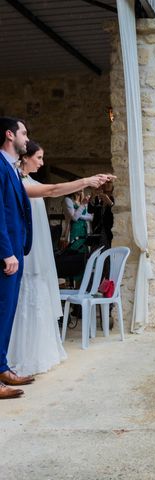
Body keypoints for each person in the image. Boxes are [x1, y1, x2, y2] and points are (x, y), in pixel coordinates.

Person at [7, 140, 113, 376]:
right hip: (27, 250)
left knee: (37, 292)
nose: (42, 162)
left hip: (38, 252)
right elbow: (53, 190)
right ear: (25, 158)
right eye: (39, 158)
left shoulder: (30, 181)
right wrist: (86, 180)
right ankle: (17, 355)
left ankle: (38, 351)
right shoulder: (15, 181)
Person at [0, 117, 33, 399]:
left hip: (15, 251)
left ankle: (2, 368)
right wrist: (7, 252)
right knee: (0, 313)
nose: (27, 138)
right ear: (9, 135)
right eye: (24, 133)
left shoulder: (10, 167)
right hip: (6, 254)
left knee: (7, 313)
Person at [64, 190, 93, 255]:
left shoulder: (82, 201)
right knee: (74, 252)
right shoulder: (68, 200)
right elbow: (74, 218)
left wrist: (79, 214)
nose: (81, 189)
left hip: (83, 229)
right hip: (74, 229)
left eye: (82, 188)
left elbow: (90, 217)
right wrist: (83, 204)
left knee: (83, 253)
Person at [88, 181, 115, 248]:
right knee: (96, 250)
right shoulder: (98, 197)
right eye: (105, 182)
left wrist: (110, 203)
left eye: (109, 182)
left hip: (110, 230)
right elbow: (90, 210)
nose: (107, 184)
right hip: (98, 230)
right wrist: (92, 196)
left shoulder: (115, 197)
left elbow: (116, 211)